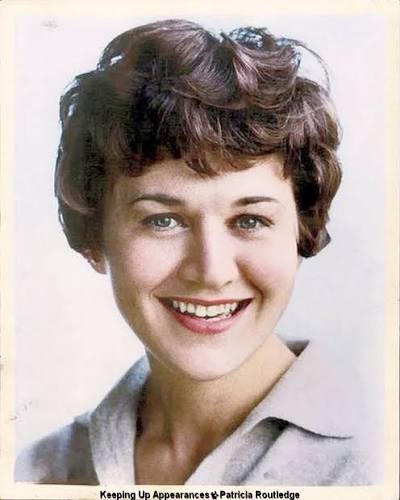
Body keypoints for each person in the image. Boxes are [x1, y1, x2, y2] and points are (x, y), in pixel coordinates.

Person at [15, 18, 371, 485]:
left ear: (302, 231)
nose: (211, 271)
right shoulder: (38, 471)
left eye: (250, 220)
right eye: (163, 220)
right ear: (95, 238)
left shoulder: (376, 460)